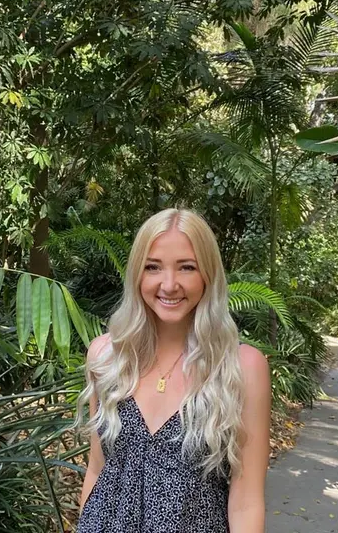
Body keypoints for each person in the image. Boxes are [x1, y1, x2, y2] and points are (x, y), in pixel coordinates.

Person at [73, 208, 271, 533]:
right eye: (153, 267)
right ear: (138, 274)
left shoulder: (240, 368)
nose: (168, 284)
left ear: (208, 274)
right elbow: (97, 471)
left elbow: (246, 501)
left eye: (187, 267)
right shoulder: (107, 357)